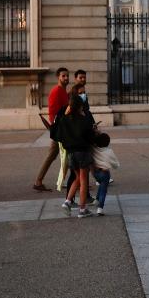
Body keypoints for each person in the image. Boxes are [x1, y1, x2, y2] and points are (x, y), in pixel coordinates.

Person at [58, 86, 97, 218]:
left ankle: (68, 201)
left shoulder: (64, 119)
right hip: (82, 151)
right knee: (84, 179)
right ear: (79, 107)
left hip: (71, 153)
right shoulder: (84, 119)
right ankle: (82, 209)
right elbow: (89, 136)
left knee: (77, 178)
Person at [33, 67, 70, 192]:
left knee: (58, 155)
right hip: (60, 130)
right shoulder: (56, 91)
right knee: (65, 154)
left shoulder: (64, 92)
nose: (66, 78)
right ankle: (73, 181)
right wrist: (57, 128)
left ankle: (40, 181)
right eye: (63, 76)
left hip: (62, 129)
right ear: (58, 77)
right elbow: (53, 112)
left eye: (67, 76)